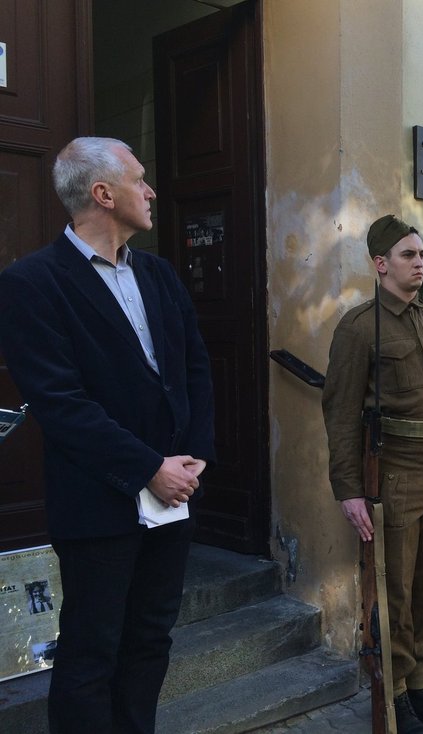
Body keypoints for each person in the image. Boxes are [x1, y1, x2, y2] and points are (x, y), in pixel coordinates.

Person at [0, 137, 215, 734]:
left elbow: (194, 367)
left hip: (175, 496)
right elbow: (61, 404)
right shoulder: (31, 283)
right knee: (92, 650)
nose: (150, 191)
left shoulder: (160, 274)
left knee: (150, 639)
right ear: (103, 194)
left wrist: (196, 460)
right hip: (98, 501)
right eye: (139, 180)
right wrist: (149, 466)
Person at [322, 214, 423, 734]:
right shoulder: (360, 327)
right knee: (397, 589)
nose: (420, 263)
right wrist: (348, 491)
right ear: (381, 263)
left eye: (421, 254)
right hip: (396, 472)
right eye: (409, 255)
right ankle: (397, 690)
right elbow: (340, 415)